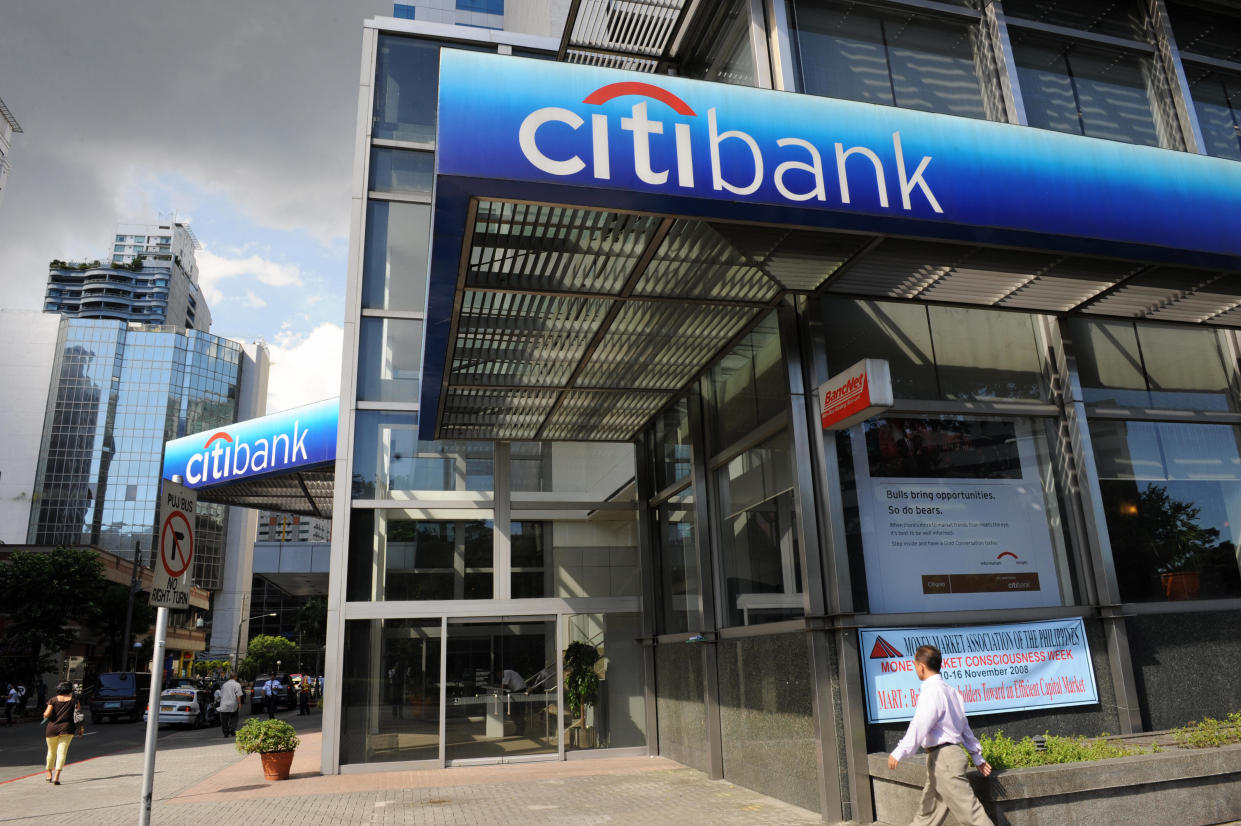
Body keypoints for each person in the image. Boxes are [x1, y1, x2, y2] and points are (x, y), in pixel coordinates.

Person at [888, 645, 994, 826]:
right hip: (943, 758)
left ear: (921, 666)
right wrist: (977, 756)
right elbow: (964, 727)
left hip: (943, 759)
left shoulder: (932, 691)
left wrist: (901, 750)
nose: (915, 669)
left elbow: (920, 724)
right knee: (927, 815)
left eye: (915, 666)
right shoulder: (951, 692)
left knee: (971, 814)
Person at [42, 681, 80, 785]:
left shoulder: (52, 700)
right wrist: (80, 729)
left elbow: (46, 714)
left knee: (51, 752)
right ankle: (57, 777)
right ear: (70, 690)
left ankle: (49, 774)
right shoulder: (74, 701)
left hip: (52, 728)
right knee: (61, 753)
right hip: (67, 729)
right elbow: (78, 715)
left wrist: (45, 714)